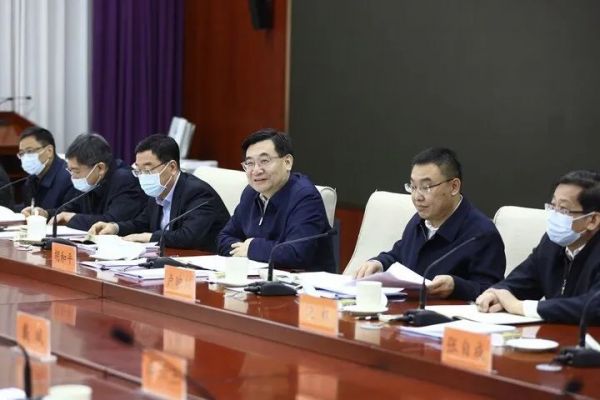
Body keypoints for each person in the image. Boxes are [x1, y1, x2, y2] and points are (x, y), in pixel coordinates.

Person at [353, 147, 505, 301]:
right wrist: (379, 263)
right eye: (413, 187)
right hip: (409, 308)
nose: (417, 197)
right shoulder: (419, 220)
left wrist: (456, 286)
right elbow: (401, 253)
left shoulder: (482, 234)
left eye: (426, 187)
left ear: (454, 187)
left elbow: (494, 292)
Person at [476, 171, 600, 324]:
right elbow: (522, 280)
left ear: (593, 220)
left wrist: (520, 307)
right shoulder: (552, 242)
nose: (554, 216)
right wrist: (496, 294)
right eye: (553, 206)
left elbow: (594, 307)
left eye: (563, 209)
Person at [217, 129, 335, 271]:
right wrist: (245, 250)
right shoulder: (251, 193)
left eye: (264, 161)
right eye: (250, 163)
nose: (256, 170)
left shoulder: (305, 197)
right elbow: (224, 237)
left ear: (287, 162)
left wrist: (251, 247)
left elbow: (296, 254)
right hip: (257, 276)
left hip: (302, 281)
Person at [88, 135, 229, 251]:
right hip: (170, 258)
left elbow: (188, 236)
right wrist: (115, 227)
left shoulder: (198, 193)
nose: (143, 176)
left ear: (172, 167)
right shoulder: (158, 190)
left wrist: (148, 237)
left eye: (147, 170)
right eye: (139, 170)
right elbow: (142, 223)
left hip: (204, 261)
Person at [35, 133, 146, 231]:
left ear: (100, 168)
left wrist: (72, 218)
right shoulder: (89, 181)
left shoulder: (125, 180)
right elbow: (69, 209)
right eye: (70, 170)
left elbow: (112, 221)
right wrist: (46, 214)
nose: (73, 176)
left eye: (76, 171)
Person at [16, 127, 73, 214]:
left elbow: (70, 212)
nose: (25, 157)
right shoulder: (32, 178)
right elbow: (28, 206)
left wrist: (46, 214)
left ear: (49, 151)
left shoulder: (70, 177)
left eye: (30, 151)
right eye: (22, 153)